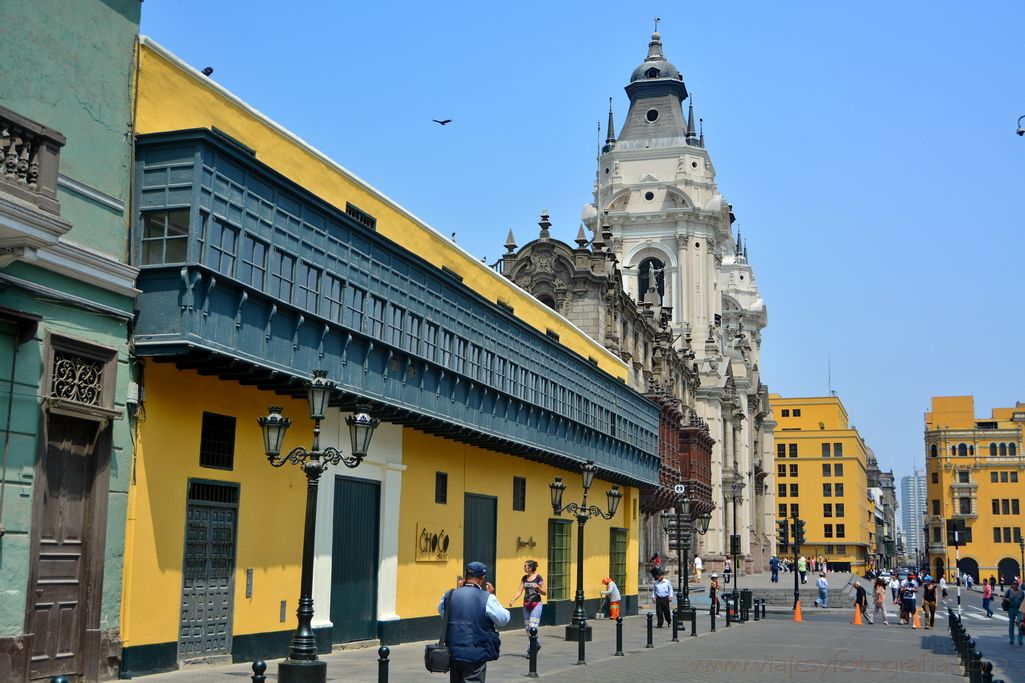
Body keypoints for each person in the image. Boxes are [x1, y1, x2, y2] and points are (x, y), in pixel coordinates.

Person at [439, 561, 510, 682]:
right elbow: (504, 619)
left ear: (465, 576)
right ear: (482, 578)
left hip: (453, 653)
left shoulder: (449, 595)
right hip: (476, 653)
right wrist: (492, 596)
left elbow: (443, 614)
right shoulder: (487, 598)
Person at [508, 560, 545, 652]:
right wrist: (513, 599)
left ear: (531, 568)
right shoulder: (524, 578)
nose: (524, 568)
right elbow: (519, 591)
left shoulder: (538, 578)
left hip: (536, 604)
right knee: (528, 628)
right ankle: (537, 643)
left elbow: (544, 592)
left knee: (533, 626)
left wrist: (538, 588)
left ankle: (531, 649)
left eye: (525, 566)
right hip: (526, 605)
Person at [1005, 579, 1025, 645]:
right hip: (1011, 609)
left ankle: (1020, 639)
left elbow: (1023, 601)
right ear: (1012, 584)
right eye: (1014, 583)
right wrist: (1007, 599)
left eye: (1017, 584)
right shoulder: (1009, 591)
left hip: (1019, 610)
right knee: (1011, 624)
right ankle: (1011, 639)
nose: (1015, 585)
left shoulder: (1021, 592)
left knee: (1020, 623)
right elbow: (1004, 598)